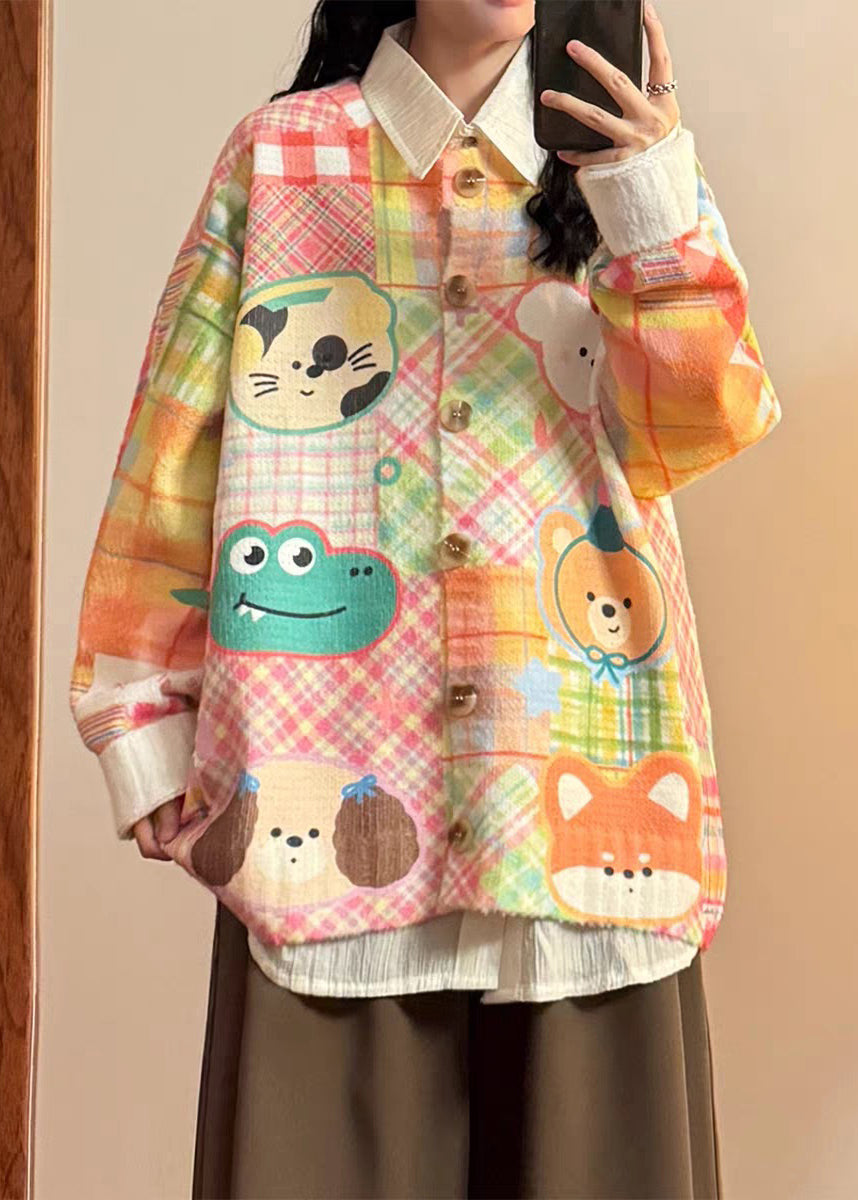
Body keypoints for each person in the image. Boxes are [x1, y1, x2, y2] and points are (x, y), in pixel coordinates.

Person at [69, 1, 781, 1196]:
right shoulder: (278, 160)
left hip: (582, 815)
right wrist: (141, 713)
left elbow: (701, 426)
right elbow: (173, 447)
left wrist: (648, 199)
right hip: (318, 792)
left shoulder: (629, 170)